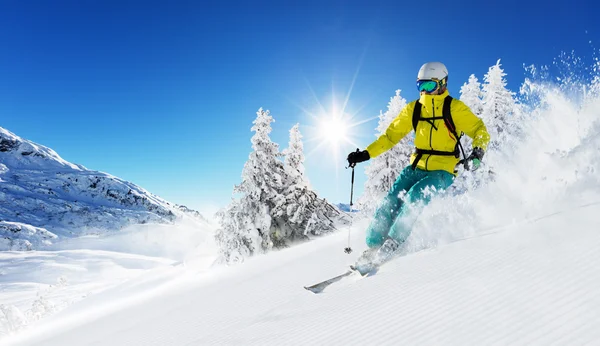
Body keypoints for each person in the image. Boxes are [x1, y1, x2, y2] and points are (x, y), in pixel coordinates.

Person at [347, 62, 490, 266]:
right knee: (391, 199)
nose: (424, 91)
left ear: (442, 84)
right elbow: (390, 136)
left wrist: (478, 151)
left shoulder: (454, 108)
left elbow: (479, 129)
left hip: (443, 169)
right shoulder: (414, 109)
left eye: (429, 86)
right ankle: (373, 245)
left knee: (416, 194)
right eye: (420, 86)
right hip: (416, 166)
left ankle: (394, 243)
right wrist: (366, 154)